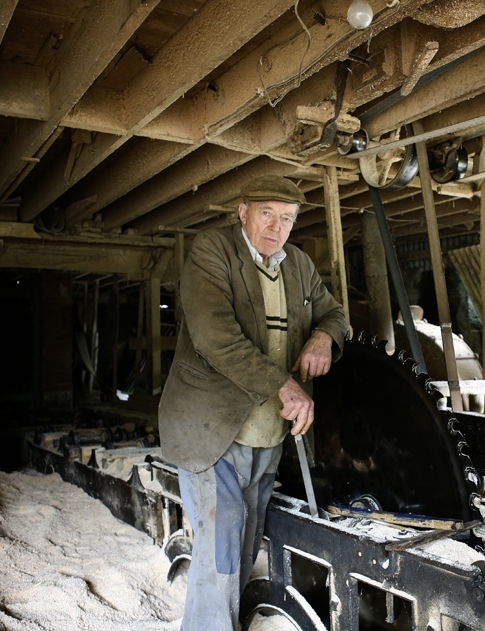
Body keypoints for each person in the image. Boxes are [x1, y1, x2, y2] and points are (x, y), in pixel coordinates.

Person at [158, 175, 349, 631]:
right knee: (221, 549)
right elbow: (215, 338)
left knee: (244, 546)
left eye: (287, 219)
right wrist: (285, 386)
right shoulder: (213, 251)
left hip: (267, 437)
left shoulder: (298, 265)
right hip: (213, 431)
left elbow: (335, 313)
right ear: (242, 211)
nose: (276, 228)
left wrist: (323, 337)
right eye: (267, 214)